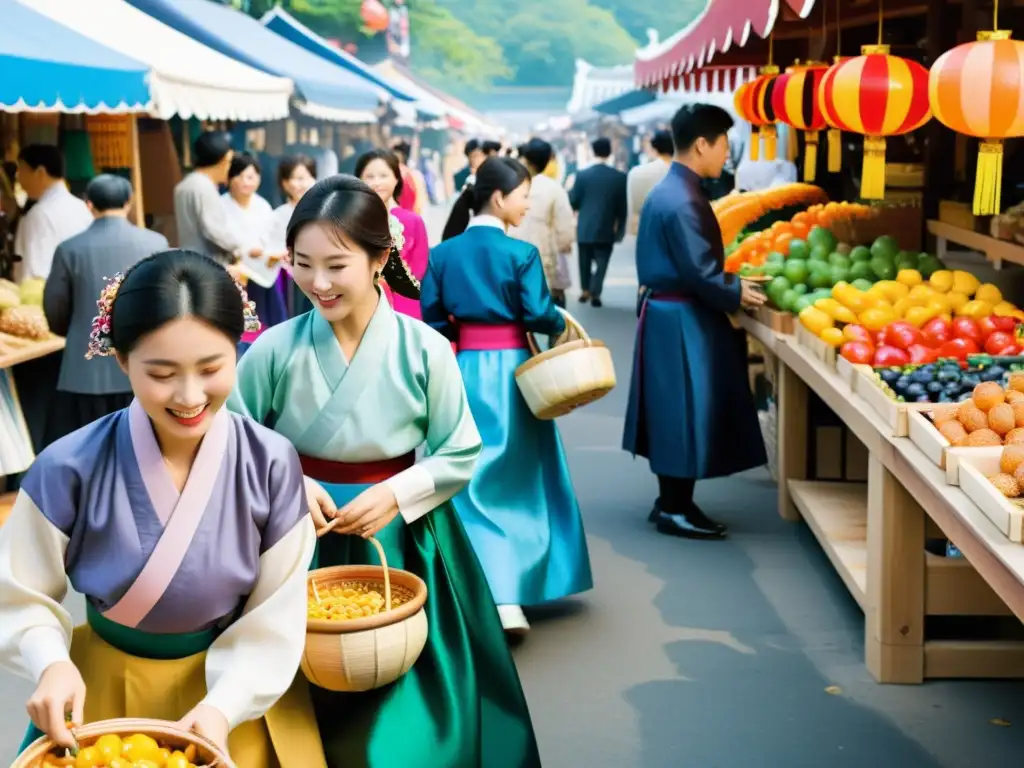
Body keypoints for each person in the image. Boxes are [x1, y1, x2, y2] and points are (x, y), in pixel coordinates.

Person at [228, 175, 541, 768]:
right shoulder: (272, 349)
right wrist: (290, 481)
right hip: (299, 532)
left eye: (336, 265)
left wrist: (401, 491)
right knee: (300, 701)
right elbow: (237, 438)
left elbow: (459, 450)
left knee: (412, 704)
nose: (317, 283)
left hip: (404, 536)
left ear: (380, 259)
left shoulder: (426, 348)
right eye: (302, 263)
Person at [1, 250, 326, 767]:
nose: (190, 395)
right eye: (162, 373)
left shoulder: (271, 463)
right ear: (122, 359)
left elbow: (277, 611)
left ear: (237, 350)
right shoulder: (67, 466)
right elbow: (19, 592)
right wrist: (50, 663)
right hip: (103, 698)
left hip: (233, 699)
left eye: (212, 367)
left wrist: (224, 707)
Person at [421, 157, 592, 636]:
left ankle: (472, 587)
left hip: (463, 372)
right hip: (514, 373)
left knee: (469, 478)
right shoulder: (521, 254)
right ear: (499, 198)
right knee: (520, 479)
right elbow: (540, 314)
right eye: (524, 195)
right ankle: (509, 591)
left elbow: (432, 321)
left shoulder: (443, 254)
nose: (528, 204)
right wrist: (558, 322)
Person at [622, 104, 768, 540]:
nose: (727, 154)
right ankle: (674, 507)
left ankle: (673, 501)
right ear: (702, 144)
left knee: (675, 410)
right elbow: (700, 270)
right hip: (681, 316)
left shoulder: (672, 190)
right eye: (724, 145)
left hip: (669, 311)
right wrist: (735, 288)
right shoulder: (685, 198)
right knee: (684, 410)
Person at [41, 175, 168, 446]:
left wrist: (74, 330)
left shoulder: (68, 249)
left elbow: (55, 306)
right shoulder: (155, 243)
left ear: (89, 204)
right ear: (129, 202)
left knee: (90, 449)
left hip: (85, 370)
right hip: (144, 363)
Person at [221, 152, 287, 346]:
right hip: (234, 273)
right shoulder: (221, 205)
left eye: (250, 176)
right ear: (229, 178)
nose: (245, 182)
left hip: (264, 272)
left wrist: (269, 252)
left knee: (269, 324)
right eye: (239, 176)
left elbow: (272, 239)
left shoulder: (263, 206)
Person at [356, 148, 430, 320]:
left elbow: (420, 270)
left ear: (396, 179)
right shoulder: (350, 221)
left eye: (383, 176)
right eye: (369, 176)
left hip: (404, 307)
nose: (376, 182)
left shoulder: (413, 222)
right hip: (360, 307)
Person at [509, 138, 574, 309]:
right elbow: (565, 228)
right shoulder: (554, 189)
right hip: (543, 255)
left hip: (511, 255)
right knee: (549, 305)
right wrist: (565, 245)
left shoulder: (510, 184)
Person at [12, 144, 92, 283]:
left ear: (40, 173)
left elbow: (35, 275)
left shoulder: (39, 215)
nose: (18, 177)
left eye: (22, 170)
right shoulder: (81, 208)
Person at [173, 131, 247, 266]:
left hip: (191, 262)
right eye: (230, 161)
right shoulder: (204, 187)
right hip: (208, 266)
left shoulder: (185, 184)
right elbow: (214, 231)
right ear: (224, 160)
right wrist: (240, 247)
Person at [568, 137, 627, 307]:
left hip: (585, 226)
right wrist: (620, 229)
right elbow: (623, 207)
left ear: (593, 152)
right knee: (602, 261)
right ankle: (595, 290)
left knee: (584, 260)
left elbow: (574, 201)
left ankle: (585, 289)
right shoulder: (620, 177)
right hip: (607, 227)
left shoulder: (582, 175)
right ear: (609, 152)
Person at [268, 154, 318, 318]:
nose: (299, 184)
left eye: (304, 178)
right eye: (294, 178)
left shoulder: (323, 211)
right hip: (287, 283)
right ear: (284, 183)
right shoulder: (277, 215)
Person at [626, 129, 674, 236]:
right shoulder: (686, 174)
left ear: (654, 147)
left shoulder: (636, 173)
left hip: (647, 233)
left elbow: (633, 211)